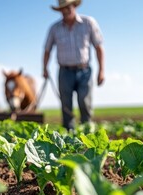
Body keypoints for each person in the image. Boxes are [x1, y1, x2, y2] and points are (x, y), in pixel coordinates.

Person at [43, 0, 105, 130]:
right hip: (64, 72)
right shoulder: (54, 28)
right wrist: (45, 68)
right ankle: (68, 136)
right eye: (62, 9)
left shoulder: (88, 22)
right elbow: (47, 50)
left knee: (85, 102)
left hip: (84, 71)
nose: (65, 11)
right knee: (66, 105)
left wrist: (101, 71)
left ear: (74, 6)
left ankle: (87, 133)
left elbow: (99, 47)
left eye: (68, 7)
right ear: (60, 11)